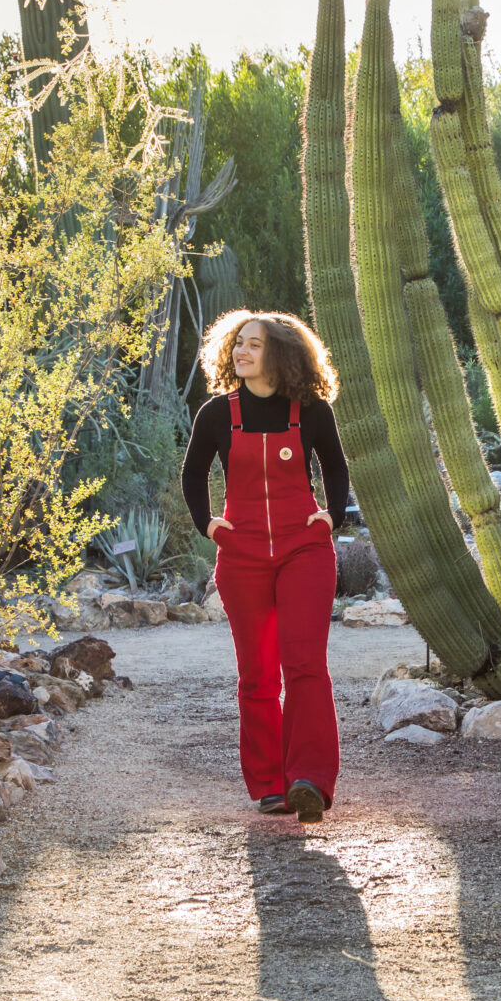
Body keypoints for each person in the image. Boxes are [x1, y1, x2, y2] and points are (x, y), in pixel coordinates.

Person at [180, 309, 350, 824]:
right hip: (243, 557)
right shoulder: (216, 413)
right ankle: (270, 785)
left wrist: (330, 518)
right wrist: (207, 524)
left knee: (304, 665)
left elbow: (335, 466)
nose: (242, 352)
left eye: (254, 344)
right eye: (238, 344)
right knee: (257, 675)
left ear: (280, 353)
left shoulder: (311, 411)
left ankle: (310, 781)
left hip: (305, 551)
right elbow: (193, 473)